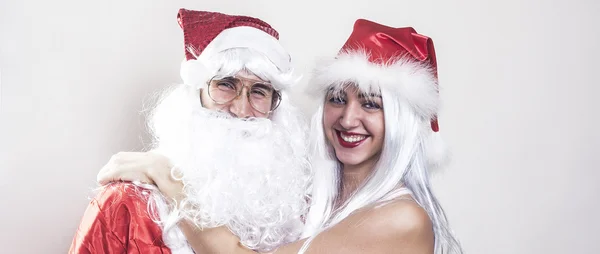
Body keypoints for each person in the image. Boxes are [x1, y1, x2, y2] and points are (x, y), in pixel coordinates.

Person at [100, 18, 464, 253]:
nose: (348, 118)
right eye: (337, 99)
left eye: (371, 104)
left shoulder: (402, 218)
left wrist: (170, 178)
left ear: (400, 124)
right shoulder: (304, 203)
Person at [68, 8, 311, 254]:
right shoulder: (124, 205)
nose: (240, 109)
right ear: (196, 94)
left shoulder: (293, 214)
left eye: (259, 91)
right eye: (226, 84)